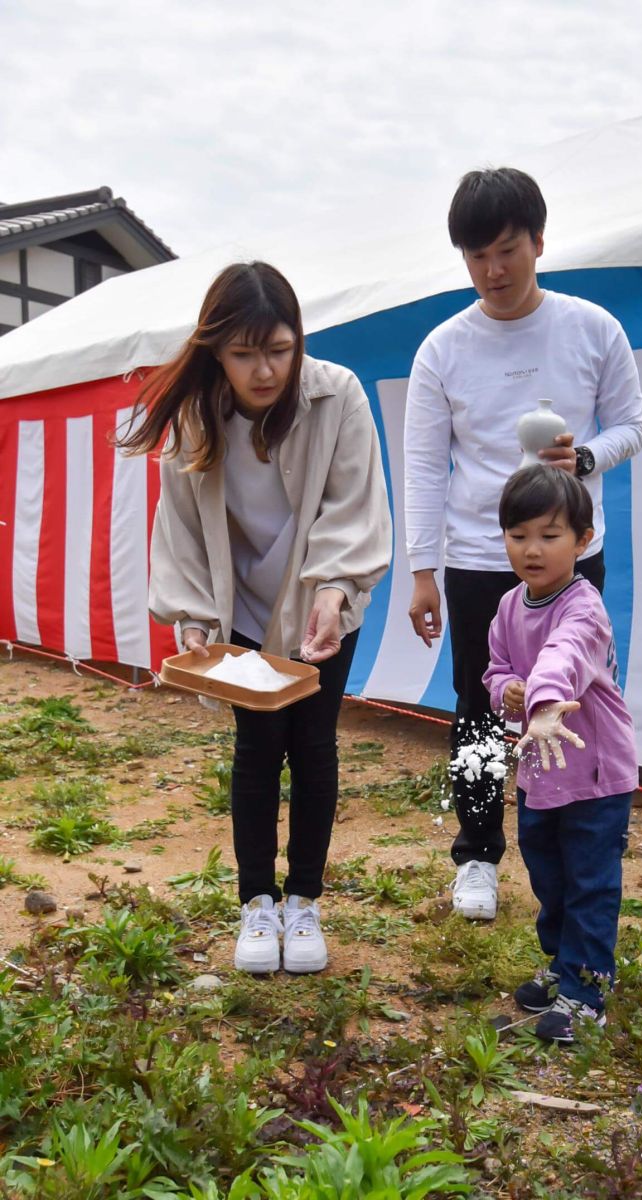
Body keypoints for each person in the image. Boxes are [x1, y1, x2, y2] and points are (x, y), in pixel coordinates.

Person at [119, 262, 392, 976]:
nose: (264, 370)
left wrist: (332, 593)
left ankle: (303, 901)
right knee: (256, 749)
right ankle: (255, 903)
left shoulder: (337, 395)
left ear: (297, 338)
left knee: (314, 745)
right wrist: (191, 617)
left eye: (278, 348)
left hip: (320, 602)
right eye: (244, 354)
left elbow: (352, 499)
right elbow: (177, 522)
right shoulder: (196, 413)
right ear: (216, 351)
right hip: (235, 601)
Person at [404, 166, 642, 921]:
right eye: (475, 256)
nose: (492, 271)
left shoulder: (592, 328)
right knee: (480, 708)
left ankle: (582, 840)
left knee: (575, 699)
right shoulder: (442, 348)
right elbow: (420, 463)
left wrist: (584, 461)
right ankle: (476, 856)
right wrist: (421, 573)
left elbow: (633, 426)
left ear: (538, 241)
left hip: (573, 556)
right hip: (479, 559)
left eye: (506, 250)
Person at [483, 464, 637, 1044]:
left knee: (591, 881)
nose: (532, 549)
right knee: (548, 876)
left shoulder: (584, 607)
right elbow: (496, 669)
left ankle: (586, 992)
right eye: (519, 535)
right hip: (541, 771)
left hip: (597, 775)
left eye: (550, 536)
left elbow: (563, 656)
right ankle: (562, 964)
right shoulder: (507, 606)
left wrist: (543, 698)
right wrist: (510, 693)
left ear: (583, 540)